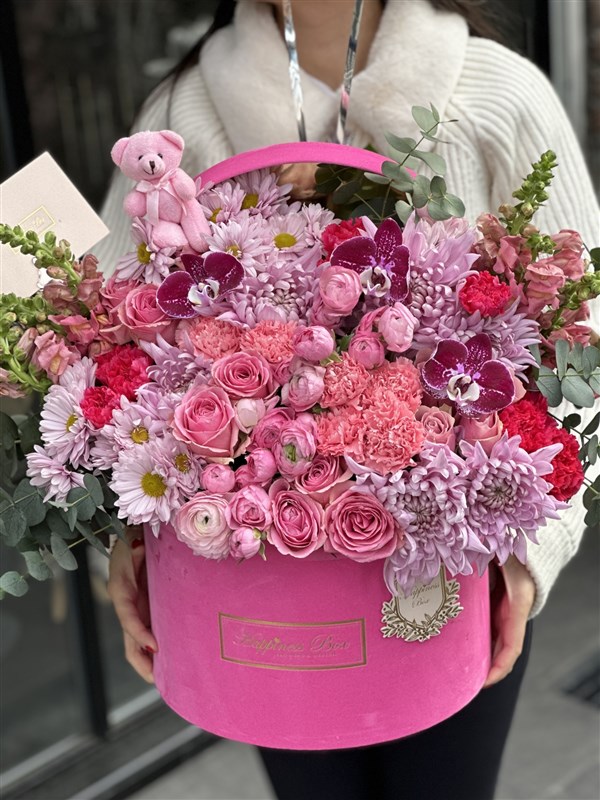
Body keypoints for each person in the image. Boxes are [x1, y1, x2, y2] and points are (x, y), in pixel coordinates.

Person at [102, 1, 600, 798]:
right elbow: (112, 354)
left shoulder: (498, 93)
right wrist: (129, 543)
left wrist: (528, 553)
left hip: (449, 582)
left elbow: (586, 337)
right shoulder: (179, 115)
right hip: (261, 598)